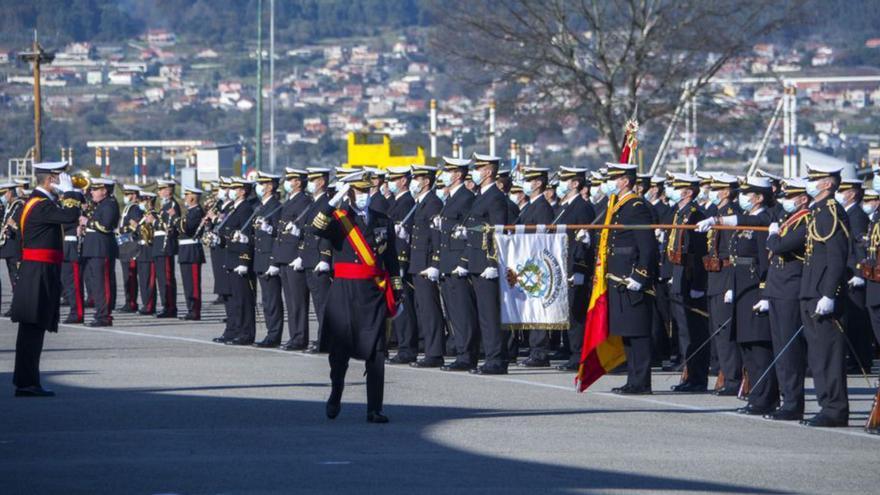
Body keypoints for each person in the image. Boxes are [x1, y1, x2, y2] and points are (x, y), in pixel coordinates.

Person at [313, 171, 401, 423]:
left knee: (377, 352)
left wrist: (396, 291)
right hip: (344, 293)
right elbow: (316, 226)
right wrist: (333, 200)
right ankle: (336, 392)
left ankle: (374, 408)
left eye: (367, 191)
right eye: (359, 191)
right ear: (349, 194)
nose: (364, 196)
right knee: (339, 353)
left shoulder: (384, 220)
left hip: (373, 292)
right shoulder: (340, 220)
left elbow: (391, 259)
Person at [10, 162, 81, 396]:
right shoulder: (40, 205)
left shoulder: (39, 203)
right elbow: (71, 216)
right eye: (60, 177)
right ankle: (27, 383)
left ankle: (28, 381)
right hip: (38, 272)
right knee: (32, 329)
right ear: (51, 180)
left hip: (38, 271)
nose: (64, 181)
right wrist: (71, 192)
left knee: (34, 329)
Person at [602, 163, 658, 394]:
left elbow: (647, 246)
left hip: (631, 278)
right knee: (627, 331)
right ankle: (633, 379)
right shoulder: (619, 206)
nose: (611, 182)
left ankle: (642, 381)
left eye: (614, 178)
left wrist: (640, 274)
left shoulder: (636, 207)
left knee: (639, 332)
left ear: (625, 181)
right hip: (618, 277)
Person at [461, 153, 510, 375]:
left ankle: (496, 359)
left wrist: (493, 261)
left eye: (479, 167)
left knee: (490, 314)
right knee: (483, 313)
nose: (475, 171)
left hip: (487, 264)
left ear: (489, 171)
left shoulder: (496, 197)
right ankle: (490, 356)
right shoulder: (481, 195)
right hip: (476, 261)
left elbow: (498, 231)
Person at [665, 173, 710, 393]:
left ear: (688, 192)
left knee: (693, 331)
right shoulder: (680, 213)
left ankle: (697, 377)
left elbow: (700, 253)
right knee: (684, 331)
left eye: (677, 187)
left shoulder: (694, 215)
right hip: (680, 275)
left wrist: (698, 285)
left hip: (691, 278)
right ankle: (689, 374)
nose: (672, 189)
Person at [433, 158, 479, 372]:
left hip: (458, 262)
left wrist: (464, 261)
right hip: (447, 262)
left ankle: (467, 355)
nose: (444, 175)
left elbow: (472, 232)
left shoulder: (466, 198)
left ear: (458, 175)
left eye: (448, 171)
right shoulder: (451, 198)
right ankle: (461, 351)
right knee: (453, 312)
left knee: (463, 312)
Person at [702, 173, 742, 395]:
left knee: (726, 332)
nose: (713, 193)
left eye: (717, 189)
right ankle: (727, 375)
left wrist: (731, 286)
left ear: (727, 192)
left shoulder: (731, 215)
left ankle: (733, 380)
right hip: (715, 275)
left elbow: (733, 253)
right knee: (719, 331)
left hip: (726, 275)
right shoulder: (717, 213)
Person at [553, 167, 596, 371]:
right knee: (570, 312)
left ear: (575, 183)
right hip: (564, 265)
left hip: (576, 267)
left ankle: (579, 354)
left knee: (577, 313)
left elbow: (585, 241)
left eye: (565, 180)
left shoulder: (582, 207)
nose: (561, 183)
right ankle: (574, 352)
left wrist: (579, 270)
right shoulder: (566, 206)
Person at [514, 166, 556, 368]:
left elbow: (543, 238)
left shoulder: (542, 207)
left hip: (537, 266)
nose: (526, 184)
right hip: (527, 265)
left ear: (538, 183)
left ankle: (540, 352)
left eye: (529, 180)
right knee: (530, 310)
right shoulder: (531, 206)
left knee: (537, 311)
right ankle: (534, 350)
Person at [270, 168, 313, 351]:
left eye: (291, 179)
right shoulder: (290, 201)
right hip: (285, 256)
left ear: (299, 182)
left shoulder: (304, 201)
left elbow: (304, 231)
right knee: (290, 300)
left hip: (294, 256)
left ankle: (300, 337)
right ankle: (294, 335)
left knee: (298, 301)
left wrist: (301, 256)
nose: (288, 182)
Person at [294, 168, 334, 353]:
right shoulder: (314, 203)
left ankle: (325, 340)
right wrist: (302, 257)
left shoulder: (326, 203)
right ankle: (323, 338)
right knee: (318, 303)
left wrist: (325, 257)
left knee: (323, 303)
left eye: (313, 180)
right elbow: (308, 233)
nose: (309, 183)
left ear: (321, 182)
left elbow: (326, 232)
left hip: (319, 258)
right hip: (310, 258)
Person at [836, 179, 873, 374]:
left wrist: (859, 272)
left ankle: (862, 361)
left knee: (858, 319)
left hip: (854, 274)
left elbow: (861, 245)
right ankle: (856, 360)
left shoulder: (856, 215)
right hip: (848, 272)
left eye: (842, 191)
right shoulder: (848, 213)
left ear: (851, 194)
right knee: (853, 318)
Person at [214, 177, 256, 346]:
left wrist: (244, 262)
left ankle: (246, 333)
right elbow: (227, 231)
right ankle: (236, 330)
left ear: (243, 191)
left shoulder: (245, 208)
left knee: (243, 300)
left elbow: (246, 236)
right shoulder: (234, 208)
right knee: (235, 299)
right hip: (230, 258)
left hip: (239, 259)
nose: (230, 191)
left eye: (235, 188)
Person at [386, 166, 421, 365]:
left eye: (395, 178)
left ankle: (408, 348)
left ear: (403, 181)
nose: (391, 182)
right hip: (393, 260)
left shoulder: (407, 203)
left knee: (404, 307)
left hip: (401, 261)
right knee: (397, 306)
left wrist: (401, 258)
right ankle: (402, 345)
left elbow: (407, 237)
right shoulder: (396, 202)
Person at [81, 178, 120, 327]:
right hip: (95, 248)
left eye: (95, 189)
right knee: (96, 284)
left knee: (102, 284)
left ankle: (104, 315)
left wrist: (87, 222)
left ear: (104, 190)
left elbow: (106, 226)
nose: (92, 192)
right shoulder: (101, 205)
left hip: (101, 249)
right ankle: (100, 313)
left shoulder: (109, 204)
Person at [252, 172, 285, 347]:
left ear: (270, 186)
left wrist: (274, 261)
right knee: (266, 301)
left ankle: (274, 335)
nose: (260, 186)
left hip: (269, 259)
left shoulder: (276, 207)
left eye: (263, 183)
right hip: (260, 259)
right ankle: (270, 333)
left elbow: (279, 235)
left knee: (272, 301)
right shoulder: (261, 207)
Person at [150, 179, 181, 318]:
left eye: (162, 189)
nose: (159, 192)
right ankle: (165, 305)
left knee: (167, 278)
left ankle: (170, 307)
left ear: (169, 190)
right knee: (161, 278)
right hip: (159, 244)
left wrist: (154, 221)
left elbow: (169, 226)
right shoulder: (164, 205)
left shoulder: (172, 205)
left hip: (165, 244)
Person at [177, 186, 205, 321]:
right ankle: (190, 309)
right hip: (185, 250)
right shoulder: (190, 211)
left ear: (193, 197)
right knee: (187, 283)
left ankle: (195, 310)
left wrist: (175, 219)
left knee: (193, 284)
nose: (185, 198)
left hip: (192, 250)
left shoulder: (197, 212)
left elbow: (187, 229)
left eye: (187, 195)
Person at [61, 187, 87, 324]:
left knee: (74, 284)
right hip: (65, 249)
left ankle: (77, 313)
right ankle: (74, 311)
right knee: (68, 283)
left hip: (72, 249)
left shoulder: (72, 212)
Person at [117, 184, 143, 313]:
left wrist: (122, 229)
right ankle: (129, 301)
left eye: (127, 194)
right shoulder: (129, 207)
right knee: (126, 275)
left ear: (134, 195)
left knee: (130, 276)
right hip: (125, 245)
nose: (125, 196)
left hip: (131, 245)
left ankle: (132, 302)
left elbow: (137, 226)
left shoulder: (135, 209)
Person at [0, 184, 24, 315]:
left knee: (17, 277)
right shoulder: (10, 207)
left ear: (10, 193)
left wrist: (13, 226)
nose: (4, 196)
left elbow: (20, 228)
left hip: (15, 246)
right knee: (12, 276)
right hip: (8, 247)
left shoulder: (19, 206)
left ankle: (18, 305)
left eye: (5, 193)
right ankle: (16, 304)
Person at [135, 192, 158, 315]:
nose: (141, 202)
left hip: (149, 251)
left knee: (149, 280)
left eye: (144, 200)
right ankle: (145, 304)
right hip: (141, 250)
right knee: (143, 280)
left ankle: (149, 306)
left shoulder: (153, 215)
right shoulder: (145, 215)